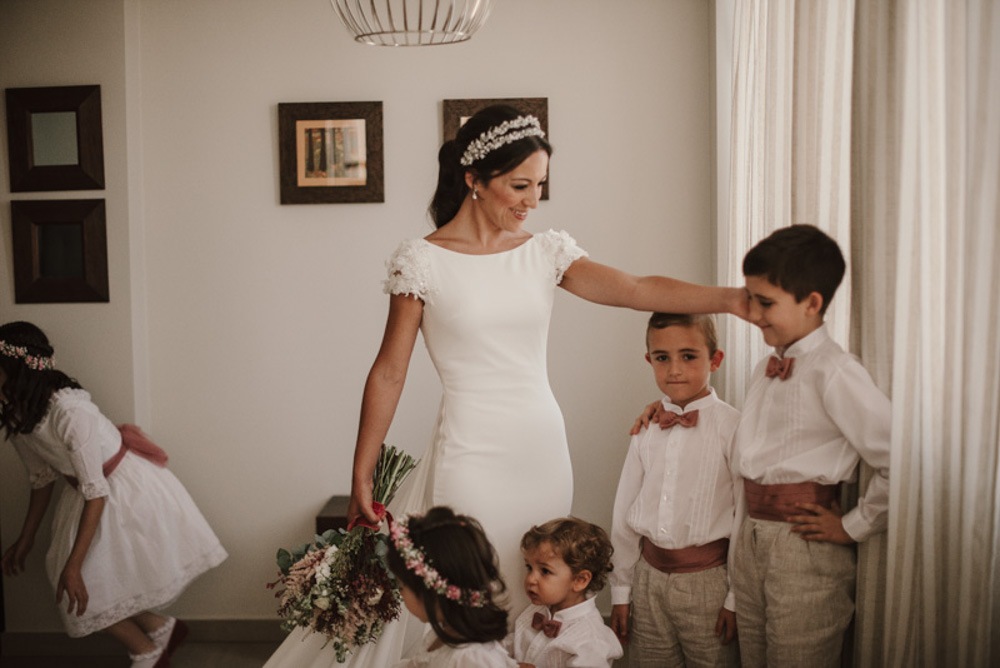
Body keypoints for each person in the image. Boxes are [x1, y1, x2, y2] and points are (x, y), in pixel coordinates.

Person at [264, 103, 748, 666]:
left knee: (534, 591)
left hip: (541, 451)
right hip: (469, 454)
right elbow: (390, 370)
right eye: (519, 185)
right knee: (469, 598)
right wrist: (361, 473)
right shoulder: (420, 261)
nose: (531, 201)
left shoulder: (546, 253)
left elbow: (637, 288)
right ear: (474, 179)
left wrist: (733, 299)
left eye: (540, 186)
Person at [0, 321, 228, 668]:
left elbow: (97, 491)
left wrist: (74, 566)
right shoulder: (18, 413)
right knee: (85, 577)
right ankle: (160, 628)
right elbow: (41, 478)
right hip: (87, 492)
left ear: (15, 368)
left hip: (122, 491)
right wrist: (26, 537)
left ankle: (146, 651)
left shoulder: (70, 411)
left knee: (84, 576)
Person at [730, 225, 891, 666]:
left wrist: (853, 526)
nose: (753, 313)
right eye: (750, 299)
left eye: (765, 303)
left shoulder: (834, 371)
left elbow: (898, 459)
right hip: (752, 537)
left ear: (812, 303)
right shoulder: (765, 365)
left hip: (801, 544)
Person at [610, 313, 741, 667]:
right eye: (662, 358)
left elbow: (743, 518)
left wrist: (734, 598)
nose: (675, 370)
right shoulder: (647, 427)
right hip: (647, 579)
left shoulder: (732, 428)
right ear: (649, 360)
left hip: (709, 583)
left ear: (715, 359)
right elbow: (624, 513)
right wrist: (621, 590)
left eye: (688, 356)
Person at [388, 506, 517, 668]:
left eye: (402, 586)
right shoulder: (443, 632)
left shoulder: (474, 659)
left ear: (433, 591)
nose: (400, 594)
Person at [505, 517, 622, 668]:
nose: (530, 579)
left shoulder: (591, 639)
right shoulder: (536, 610)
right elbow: (515, 643)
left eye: (545, 571)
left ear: (580, 580)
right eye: (529, 567)